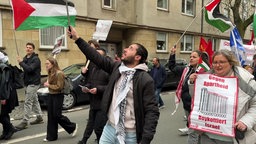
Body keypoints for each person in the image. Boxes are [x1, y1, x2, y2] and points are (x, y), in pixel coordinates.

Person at [68, 26, 159, 144]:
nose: (125, 49)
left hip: (130, 135)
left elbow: (152, 111)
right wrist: (77, 39)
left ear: (137, 57)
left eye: (130, 48)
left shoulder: (145, 79)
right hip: (110, 128)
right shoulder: (117, 68)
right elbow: (95, 57)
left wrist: (145, 139)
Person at [189, 49, 256, 144]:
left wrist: (245, 122)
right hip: (207, 136)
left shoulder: (246, 80)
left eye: (222, 62)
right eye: (215, 62)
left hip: (232, 138)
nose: (218, 65)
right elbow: (196, 100)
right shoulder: (205, 77)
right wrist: (193, 83)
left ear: (231, 63)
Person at [168, 46, 210, 144]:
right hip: (187, 106)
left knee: (193, 133)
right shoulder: (187, 70)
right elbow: (172, 67)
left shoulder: (205, 71)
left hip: (198, 108)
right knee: (195, 132)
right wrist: (172, 54)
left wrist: (193, 81)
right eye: (190, 56)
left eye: (194, 57)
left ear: (200, 59)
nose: (191, 58)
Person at [78, 48, 110, 144]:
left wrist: (98, 89)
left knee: (99, 127)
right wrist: (86, 87)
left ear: (103, 57)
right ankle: (84, 140)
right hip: (93, 101)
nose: (95, 56)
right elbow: (90, 82)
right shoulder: (93, 68)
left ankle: (102, 141)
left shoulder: (109, 69)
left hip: (103, 102)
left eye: (98, 55)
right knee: (90, 123)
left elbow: (111, 87)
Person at [43, 57, 78, 142]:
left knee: (57, 115)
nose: (46, 65)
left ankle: (72, 126)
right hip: (51, 95)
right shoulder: (50, 72)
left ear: (53, 64)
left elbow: (59, 87)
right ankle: (51, 137)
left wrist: (48, 85)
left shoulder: (59, 73)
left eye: (47, 64)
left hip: (58, 96)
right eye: (46, 63)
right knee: (51, 116)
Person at [15, 42, 44, 130]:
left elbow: (30, 69)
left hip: (34, 83)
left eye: (30, 48)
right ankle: (39, 118)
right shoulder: (25, 58)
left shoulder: (36, 59)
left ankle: (24, 122)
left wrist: (21, 62)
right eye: (27, 47)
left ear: (33, 49)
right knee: (35, 100)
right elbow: (25, 70)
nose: (28, 49)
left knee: (27, 102)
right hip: (28, 83)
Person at [0, 52, 18, 140]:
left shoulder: (3, 67)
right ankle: (6, 131)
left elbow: (4, 83)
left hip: (5, 94)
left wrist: (3, 97)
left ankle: (10, 128)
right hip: (6, 93)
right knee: (4, 113)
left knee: (2, 114)